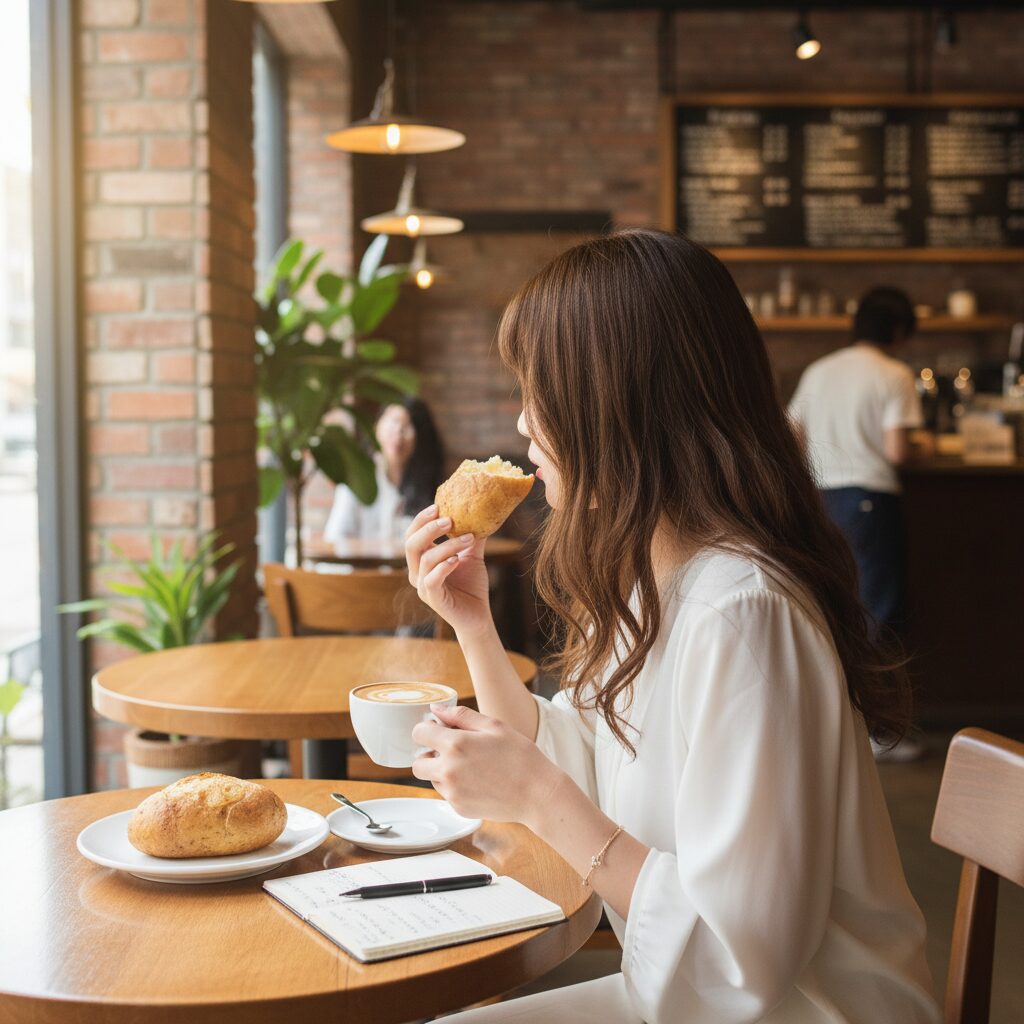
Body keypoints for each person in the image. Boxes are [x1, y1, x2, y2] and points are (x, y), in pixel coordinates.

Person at [402, 230, 939, 1023]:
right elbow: (575, 762)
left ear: (617, 404)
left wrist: (540, 798)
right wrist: (473, 623)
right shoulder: (648, 583)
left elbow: (742, 958)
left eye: (538, 392)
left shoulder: (744, 611)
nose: (522, 424)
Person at [788, 287, 925, 642]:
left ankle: (841, 695)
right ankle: (874, 697)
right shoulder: (895, 374)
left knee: (831, 601)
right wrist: (924, 446)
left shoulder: (819, 370)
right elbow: (898, 452)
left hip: (820, 499)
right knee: (876, 607)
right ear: (898, 330)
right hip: (869, 501)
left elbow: (793, 440)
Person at [323, 397, 443, 546]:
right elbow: (335, 537)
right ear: (376, 426)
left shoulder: (431, 488)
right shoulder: (358, 478)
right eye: (393, 421)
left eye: (407, 426)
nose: (398, 432)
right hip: (361, 568)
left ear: (421, 436)